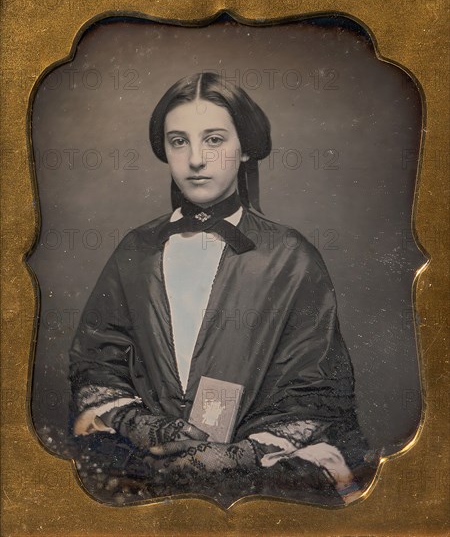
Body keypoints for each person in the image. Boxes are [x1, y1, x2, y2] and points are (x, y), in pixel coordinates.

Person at [69, 72, 375, 507]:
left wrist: (236, 455)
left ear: (245, 147)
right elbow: (97, 358)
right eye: (179, 142)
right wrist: (141, 425)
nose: (196, 160)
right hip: (147, 483)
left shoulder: (291, 256)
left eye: (214, 140)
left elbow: (317, 387)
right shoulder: (135, 250)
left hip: (258, 491)